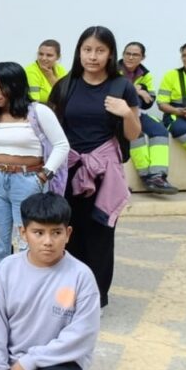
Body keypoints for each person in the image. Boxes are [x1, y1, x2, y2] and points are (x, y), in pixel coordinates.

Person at [0, 193, 100, 370]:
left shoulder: (81, 275)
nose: (48, 241)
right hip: (16, 365)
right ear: (23, 233)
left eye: (56, 233)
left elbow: (82, 333)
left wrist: (32, 360)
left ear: (67, 234)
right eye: (39, 232)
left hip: (60, 359)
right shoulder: (7, 269)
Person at [48, 26, 140, 307]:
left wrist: (126, 112)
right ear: (79, 52)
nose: (93, 56)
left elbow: (134, 134)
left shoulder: (121, 86)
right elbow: (50, 127)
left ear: (111, 54)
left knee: (100, 234)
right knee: (67, 232)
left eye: (100, 50)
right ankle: (68, 295)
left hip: (104, 172)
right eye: (87, 50)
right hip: (71, 168)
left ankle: (97, 299)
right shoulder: (66, 85)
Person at [0, 62, 69, 272]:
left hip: (29, 179)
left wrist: (44, 176)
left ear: (16, 86)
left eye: (2, 87)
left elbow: (62, 145)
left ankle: (27, 291)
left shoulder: (37, 111)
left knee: (28, 238)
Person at [121, 42, 178, 194]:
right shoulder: (112, 70)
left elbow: (148, 101)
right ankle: (147, 177)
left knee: (159, 131)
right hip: (117, 114)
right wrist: (135, 90)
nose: (130, 57)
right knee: (136, 133)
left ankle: (158, 175)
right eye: (127, 53)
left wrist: (141, 92)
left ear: (142, 57)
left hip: (137, 112)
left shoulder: (145, 74)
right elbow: (113, 93)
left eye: (135, 55)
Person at [158, 41, 186, 160]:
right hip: (175, 115)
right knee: (181, 130)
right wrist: (178, 111)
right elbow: (161, 103)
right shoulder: (171, 75)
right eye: (184, 55)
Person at [25, 40, 66, 104]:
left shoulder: (61, 69)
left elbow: (66, 95)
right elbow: (33, 101)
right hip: (40, 109)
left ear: (58, 57)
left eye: (49, 55)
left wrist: (50, 76)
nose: (43, 58)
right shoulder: (31, 71)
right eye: (41, 54)